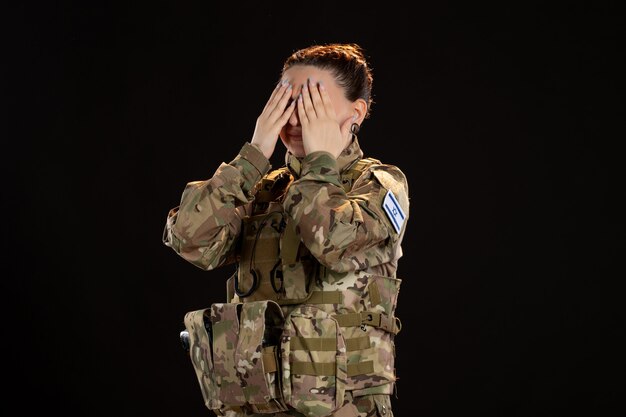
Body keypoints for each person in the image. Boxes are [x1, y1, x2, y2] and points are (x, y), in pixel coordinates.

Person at [163, 43, 409, 417]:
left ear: (355, 112)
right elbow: (188, 238)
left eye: (313, 102)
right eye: (287, 101)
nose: (297, 117)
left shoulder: (379, 184)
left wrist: (320, 160)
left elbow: (333, 241)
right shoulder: (263, 188)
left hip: (343, 407)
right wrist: (254, 154)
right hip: (254, 404)